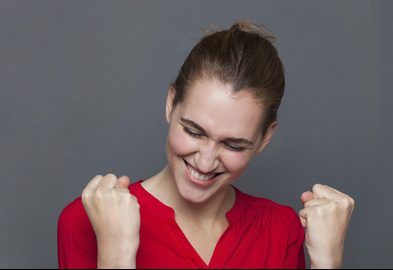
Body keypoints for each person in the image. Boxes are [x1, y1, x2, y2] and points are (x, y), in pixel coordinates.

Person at [57, 21, 355, 269]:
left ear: (265, 137)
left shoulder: (280, 230)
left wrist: (328, 262)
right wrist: (116, 253)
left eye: (233, 145)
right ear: (171, 103)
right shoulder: (88, 220)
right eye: (194, 131)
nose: (205, 161)